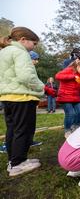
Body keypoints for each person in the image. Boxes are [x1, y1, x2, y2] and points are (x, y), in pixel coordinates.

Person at [0, 27, 44, 176]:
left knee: (12, 130)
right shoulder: (20, 52)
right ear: (23, 40)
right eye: (34, 43)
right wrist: (41, 87)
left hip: (7, 97)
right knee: (24, 130)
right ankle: (18, 164)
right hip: (22, 97)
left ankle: (13, 161)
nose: (34, 47)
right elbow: (26, 76)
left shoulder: (4, 52)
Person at [55, 61, 80, 138]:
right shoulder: (69, 70)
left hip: (76, 97)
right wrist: (73, 76)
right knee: (70, 114)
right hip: (65, 96)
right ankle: (67, 130)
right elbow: (57, 76)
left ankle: (75, 126)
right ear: (78, 67)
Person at [63, 48, 80, 122]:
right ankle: (73, 124)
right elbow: (65, 72)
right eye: (78, 53)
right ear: (73, 54)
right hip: (72, 89)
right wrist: (75, 63)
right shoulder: (67, 62)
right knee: (74, 109)